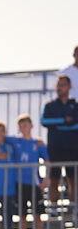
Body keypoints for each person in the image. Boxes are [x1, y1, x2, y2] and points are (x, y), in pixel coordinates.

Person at [7, 115, 47, 229]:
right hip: (20, 183)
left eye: (26, 125)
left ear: (32, 126)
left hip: (34, 183)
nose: (23, 128)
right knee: (22, 215)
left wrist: (46, 179)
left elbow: (47, 161)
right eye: (21, 125)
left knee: (38, 214)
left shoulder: (37, 143)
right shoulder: (15, 140)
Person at [40, 74, 78, 213]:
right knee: (54, 179)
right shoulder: (50, 106)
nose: (60, 88)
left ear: (69, 87)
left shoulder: (75, 105)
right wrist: (64, 120)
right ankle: (54, 207)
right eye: (58, 85)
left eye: (63, 85)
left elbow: (75, 124)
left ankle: (74, 208)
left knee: (73, 179)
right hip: (55, 147)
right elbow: (44, 121)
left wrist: (58, 124)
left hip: (73, 148)